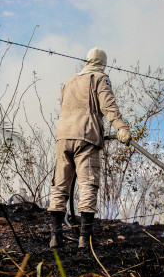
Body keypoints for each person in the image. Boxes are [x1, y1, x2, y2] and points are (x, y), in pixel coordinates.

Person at [47, 47, 131, 248]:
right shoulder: (100, 78)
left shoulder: (69, 81)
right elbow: (108, 105)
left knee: (59, 185)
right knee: (88, 184)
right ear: (102, 63)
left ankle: (55, 237)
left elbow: (63, 106)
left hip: (62, 136)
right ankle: (85, 238)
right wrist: (121, 127)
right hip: (86, 136)